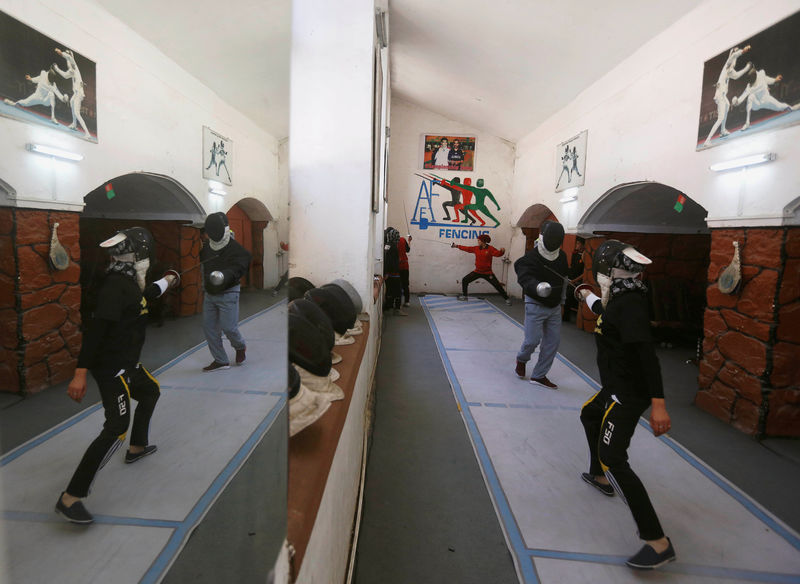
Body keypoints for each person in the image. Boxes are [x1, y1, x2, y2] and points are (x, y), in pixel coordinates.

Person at [56, 227, 178, 524]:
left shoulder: (128, 281)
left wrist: (170, 279)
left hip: (128, 363)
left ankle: (137, 447)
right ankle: (70, 498)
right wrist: (79, 374)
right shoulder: (115, 286)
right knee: (116, 427)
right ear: (138, 254)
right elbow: (96, 333)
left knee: (150, 391)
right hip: (112, 369)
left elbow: (144, 296)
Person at [577, 239, 676, 570]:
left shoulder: (629, 304)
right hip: (615, 387)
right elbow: (606, 313)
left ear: (607, 271)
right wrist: (585, 295)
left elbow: (648, 357)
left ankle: (657, 542)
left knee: (613, 458)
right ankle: (600, 478)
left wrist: (658, 404)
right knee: (590, 415)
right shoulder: (622, 298)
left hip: (628, 394)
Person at [513, 221, 568, 388]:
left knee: (553, 342)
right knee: (532, 340)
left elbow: (564, 280)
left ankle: (539, 375)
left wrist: (563, 301)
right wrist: (536, 286)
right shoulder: (531, 257)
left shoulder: (562, 257)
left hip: (554, 306)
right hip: (535, 303)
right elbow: (523, 275)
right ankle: (522, 359)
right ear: (544, 237)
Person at [200, 212, 252, 371]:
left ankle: (240, 346)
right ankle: (221, 360)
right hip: (210, 293)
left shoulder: (236, 249)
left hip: (229, 292)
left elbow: (241, 265)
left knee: (229, 328)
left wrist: (225, 275)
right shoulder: (207, 248)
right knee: (209, 328)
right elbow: (204, 265)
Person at [703, 45, 752, 146]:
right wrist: (742, 51)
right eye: (735, 54)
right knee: (720, 118)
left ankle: (722, 131)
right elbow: (734, 55)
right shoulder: (727, 65)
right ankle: (707, 141)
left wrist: (747, 68)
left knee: (728, 105)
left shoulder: (730, 71)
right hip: (719, 95)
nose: (735, 60)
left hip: (722, 95)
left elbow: (737, 75)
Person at [732, 67, 800, 130]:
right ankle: (747, 123)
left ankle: (793, 108)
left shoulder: (761, 74)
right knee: (750, 97)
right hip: (757, 103)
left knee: (781, 106)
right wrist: (736, 102)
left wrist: (775, 80)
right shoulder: (749, 87)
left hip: (767, 100)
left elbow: (766, 79)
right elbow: (742, 96)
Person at [452, 234, 510, 305]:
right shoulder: (476, 248)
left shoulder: (490, 249)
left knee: (497, 285)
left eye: (479, 240)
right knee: (465, 280)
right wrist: (456, 246)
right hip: (477, 271)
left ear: (483, 241)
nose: (478, 241)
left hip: (488, 273)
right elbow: (467, 248)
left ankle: (507, 299)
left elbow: (497, 254)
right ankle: (465, 296)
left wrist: (502, 251)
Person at [53, 48, 91, 137]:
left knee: (77, 113)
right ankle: (74, 125)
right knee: (71, 101)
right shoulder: (71, 71)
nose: (67, 61)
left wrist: (61, 53)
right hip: (76, 93)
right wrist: (56, 68)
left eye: (68, 58)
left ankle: (87, 134)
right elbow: (65, 76)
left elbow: (70, 58)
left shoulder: (74, 66)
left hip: (79, 93)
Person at [384, 227, 406, 315]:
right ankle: (397, 309)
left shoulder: (387, 245)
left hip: (389, 273)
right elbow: (389, 260)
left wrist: (386, 272)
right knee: (397, 292)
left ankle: (388, 307)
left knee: (389, 290)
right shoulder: (393, 247)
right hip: (394, 273)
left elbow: (387, 259)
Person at [562, 237, 585, 322]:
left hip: (577, 282)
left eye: (578, 243)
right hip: (570, 279)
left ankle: (565, 317)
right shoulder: (575, 254)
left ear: (583, 245)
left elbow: (584, 273)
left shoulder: (585, 256)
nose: (576, 245)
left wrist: (573, 281)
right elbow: (571, 267)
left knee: (568, 296)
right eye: (576, 243)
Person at [398, 233, 412, 307]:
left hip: (396, 267)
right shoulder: (403, 239)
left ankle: (398, 303)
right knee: (405, 284)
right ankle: (407, 302)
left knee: (398, 285)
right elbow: (408, 250)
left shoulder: (391, 242)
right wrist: (409, 241)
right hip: (405, 266)